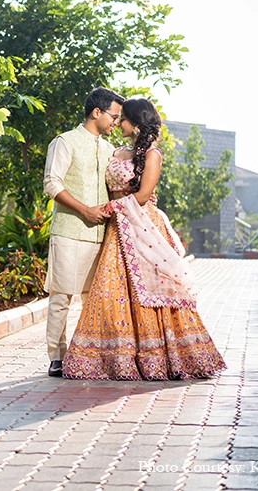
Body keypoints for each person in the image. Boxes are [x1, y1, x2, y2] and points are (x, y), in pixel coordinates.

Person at [61, 97, 226, 380]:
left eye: (123, 119)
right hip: (116, 230)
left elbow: (143, 194)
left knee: (153, 290)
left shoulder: (152, 154)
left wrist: (111, 208)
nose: (118, 123)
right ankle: (113, 358)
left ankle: (158, 356)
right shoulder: (115, 153)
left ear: (136, 124)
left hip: (142, 225)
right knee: (112, 293)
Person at [43, 88, 124, 377]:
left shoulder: (109, 150)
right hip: (68, 231)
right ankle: (57, 356)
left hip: (101, 235)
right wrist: (84, 210)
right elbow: (52, 184)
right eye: (114, 115)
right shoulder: (65, 142)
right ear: (96, 112)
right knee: (62, 296)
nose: (116, 121)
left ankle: (89, 355)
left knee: (94, 298)